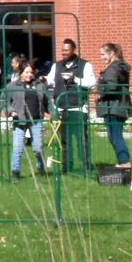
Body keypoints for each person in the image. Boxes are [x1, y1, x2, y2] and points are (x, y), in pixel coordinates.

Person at [50, 38, 93, 175]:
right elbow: (50, 79)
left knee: (81, 140)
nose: (64, 53)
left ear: (74, 50)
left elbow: (92, 83)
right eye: (62, 50)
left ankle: (85, 166)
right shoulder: (57, 66)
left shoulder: (85, 65)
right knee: (65, 141)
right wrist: (43, 80)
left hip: (78, 108)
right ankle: (67, 167)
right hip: (62, 109)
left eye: (66, 50)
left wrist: (75, 79)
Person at [95, 42, 132, 168]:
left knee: (115, 136)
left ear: (111, 53)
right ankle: (124, 162)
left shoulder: (113, 68)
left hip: (113, 107)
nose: (101, 57)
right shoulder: (119, 67)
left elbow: (112, 87)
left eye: (103, 54)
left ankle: (125, 163)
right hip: (119, 106)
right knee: (115, 136)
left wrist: (100, 93)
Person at [8, 58, 49, 179]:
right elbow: (4, 101)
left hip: (36, 120)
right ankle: (15, 173)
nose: (29, 75)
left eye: (31, 72)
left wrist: (52, 112)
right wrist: (11, 111)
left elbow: (47, 101)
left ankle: (42, 170)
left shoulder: (39, 85)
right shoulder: (12, 86)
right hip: (19, 121)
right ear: (20, 72)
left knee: (38, 148)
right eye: (26, 72)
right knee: (18, 149)